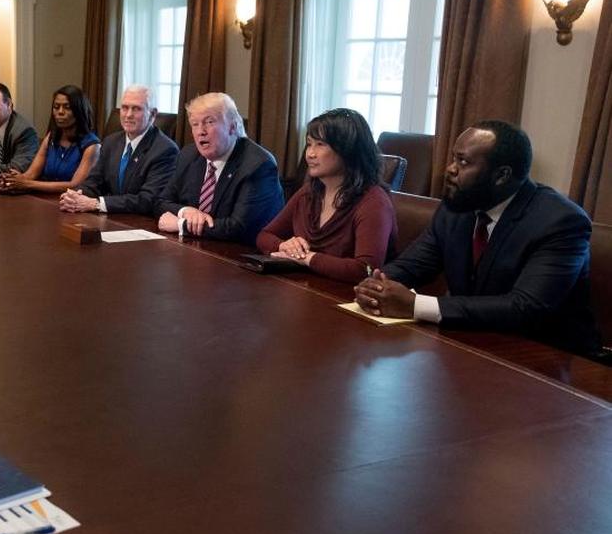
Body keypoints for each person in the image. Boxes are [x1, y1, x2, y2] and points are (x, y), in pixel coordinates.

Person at [355, 120, 603, 356]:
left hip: (548, 358)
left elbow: (525, 307)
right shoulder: (457, 207)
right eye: (454, 158)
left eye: (463, 162)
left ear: (502, 175)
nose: (450, 169)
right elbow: (413, 264)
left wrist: (416, 305)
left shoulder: (561, 222)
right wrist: (377, 285)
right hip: (471, 342)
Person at [256, 108, 397, 283]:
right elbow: (264, 236)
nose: (310, 153)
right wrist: (284, 245)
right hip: (306, 290)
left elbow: (365, 269)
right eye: (309, 143)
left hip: (347, 301)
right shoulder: (309, 192)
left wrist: (306, 258)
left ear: (347, 150)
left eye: (320, 144)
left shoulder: (374, 202)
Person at [155, 92, 284, 243]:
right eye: (195, 124)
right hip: (198, 249)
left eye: (209, 122)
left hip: (241, 255)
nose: (200, 131)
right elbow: (161, 202)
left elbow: (238, 227)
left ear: (232, 127)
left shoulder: (258, 165)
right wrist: (186, 212)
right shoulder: (189, 155)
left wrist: (182, 225)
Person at [58, 84, 179, 215]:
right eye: (124, 108)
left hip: (140, 224)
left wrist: (96, 204)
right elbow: (94, 182)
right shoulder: (111, 142)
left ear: (153, 114)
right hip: (111, 218)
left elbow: (147, 200)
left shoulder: (165, 150)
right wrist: (75, 196)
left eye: (136, 109)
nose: (128, 115)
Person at [0, 84, 100, 194]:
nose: (60, 112)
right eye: (56, 107)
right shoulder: (51, 137)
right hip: (44, 199)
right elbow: (31, 174)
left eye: (67, 107)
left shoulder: (92, 146)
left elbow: (75, 185)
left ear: (79, 111)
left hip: (72, 203)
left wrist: (27, 184)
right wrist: (14, 179)